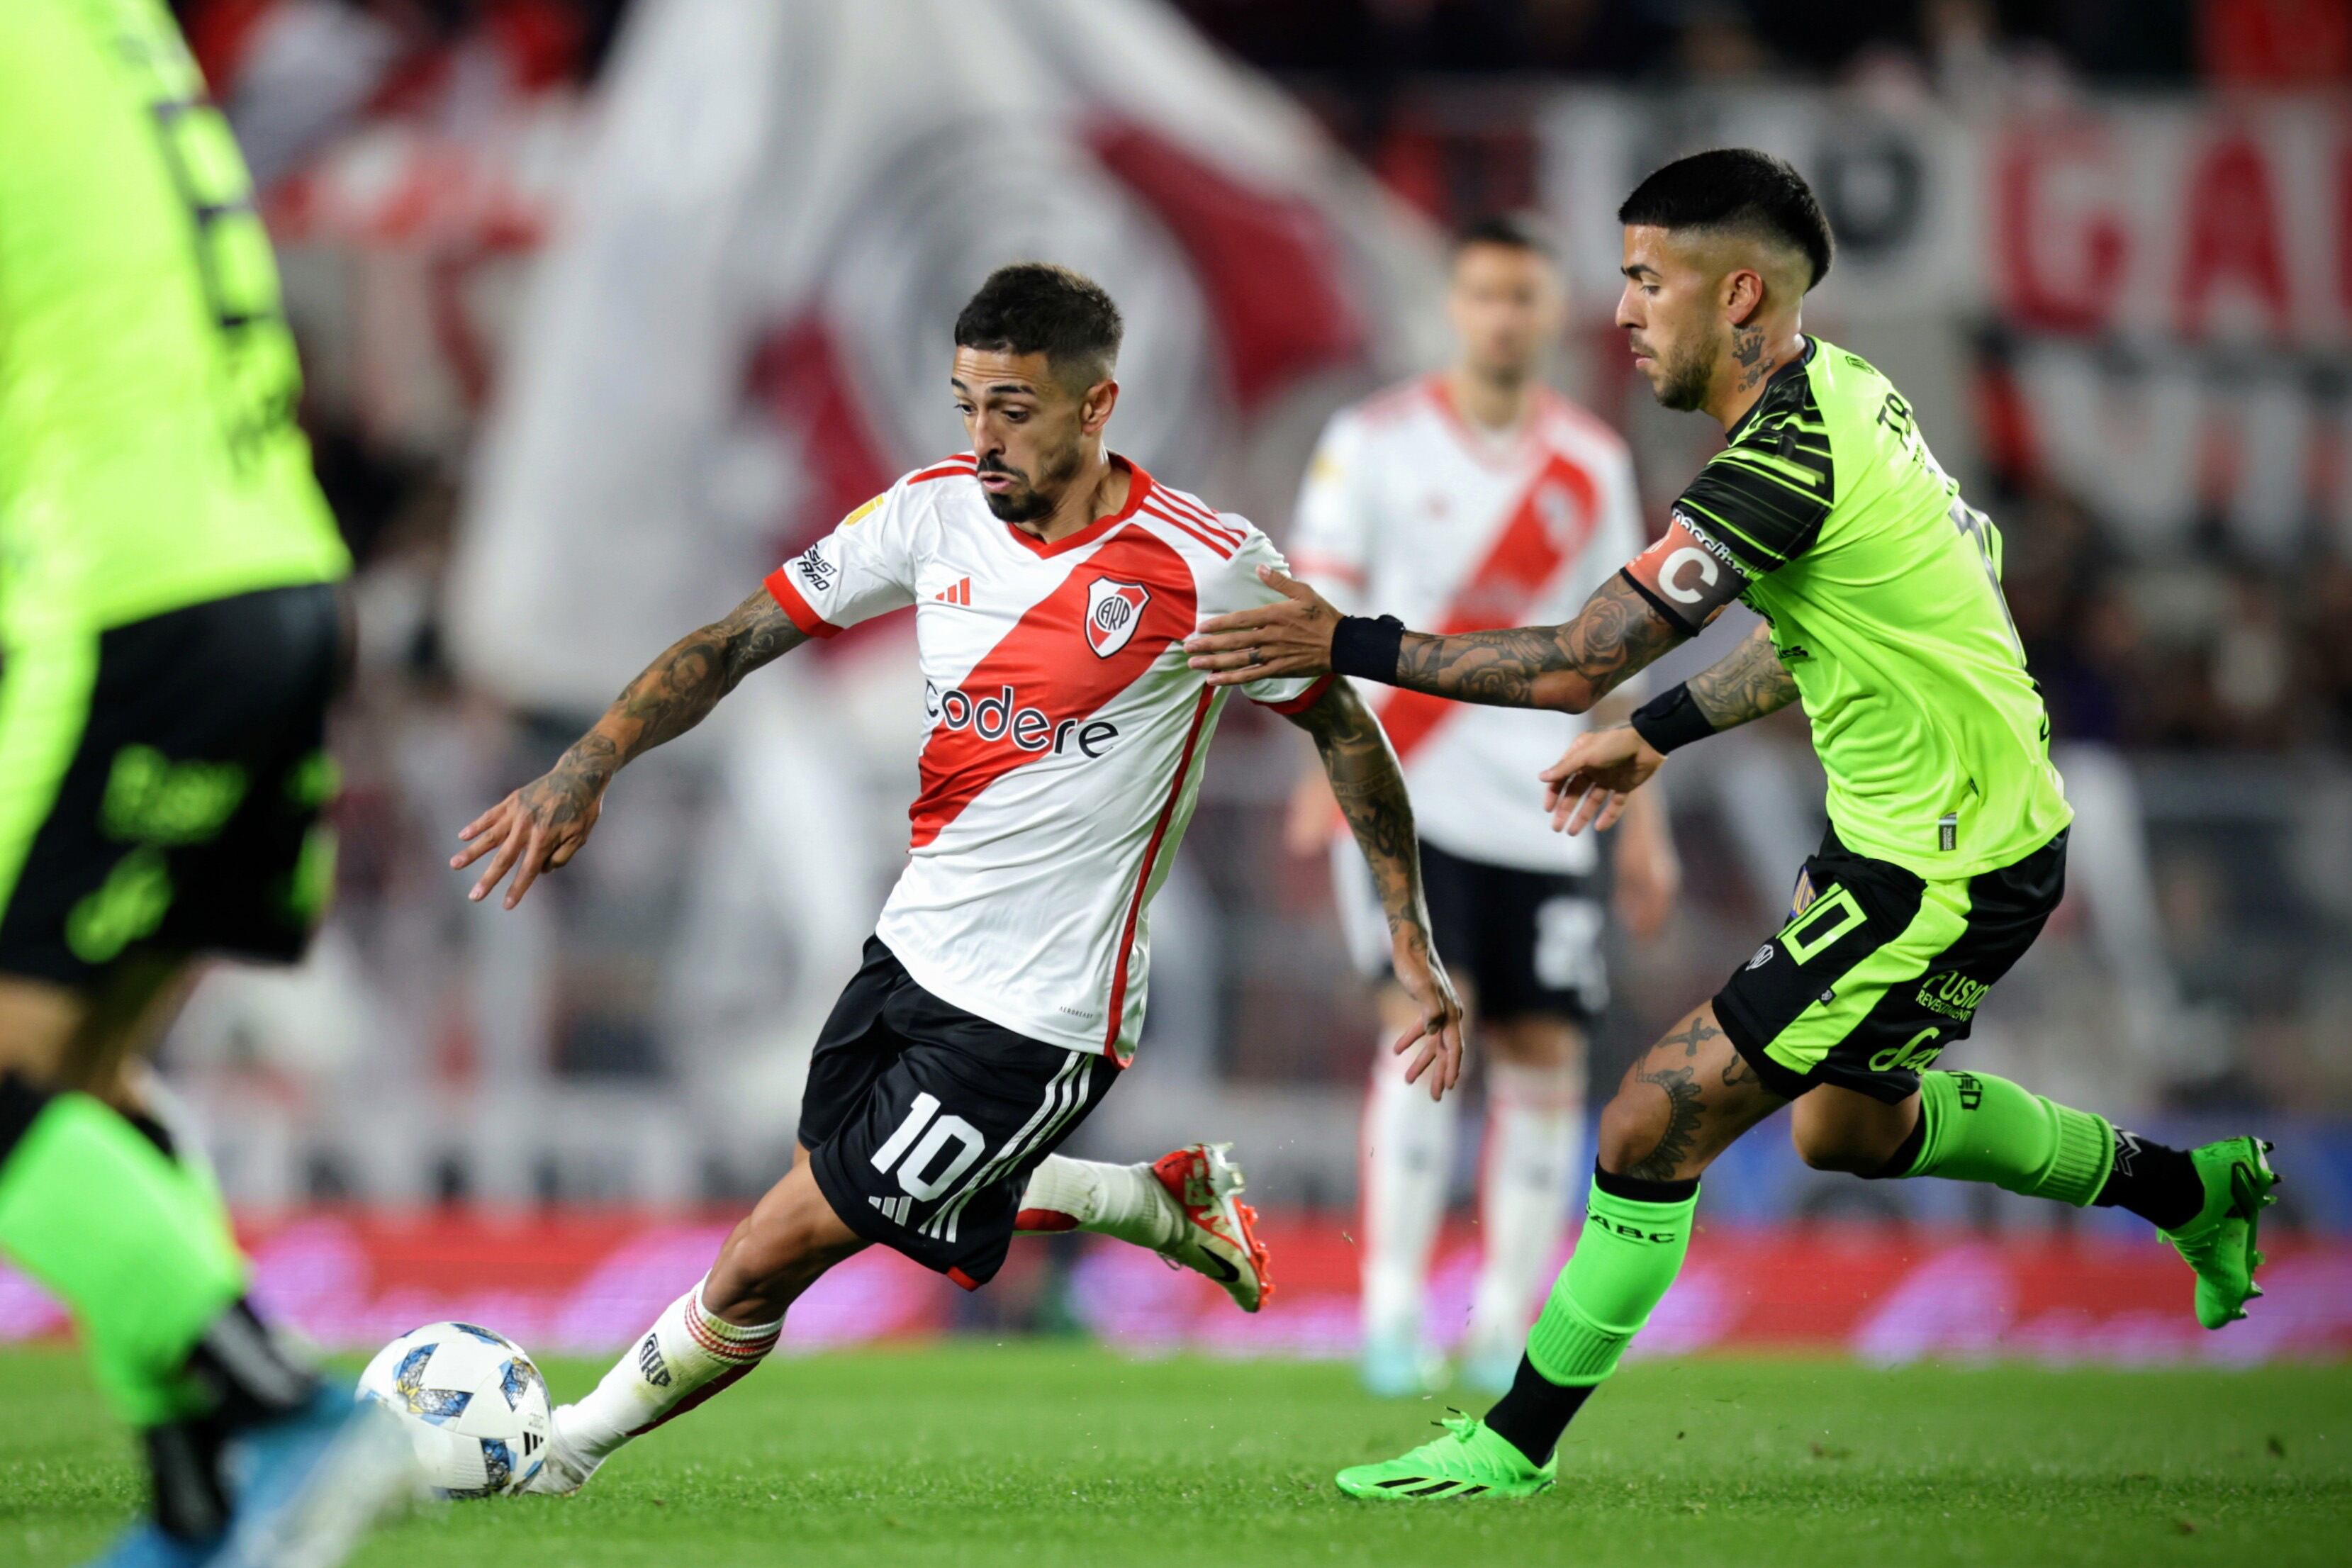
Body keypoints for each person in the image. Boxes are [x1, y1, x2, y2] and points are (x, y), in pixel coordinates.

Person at [1185, 149, 2276, 1501]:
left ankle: (1509, 1448)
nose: (1624, 310)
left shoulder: (1785, 454)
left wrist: (1340, 639)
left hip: (1939, 862)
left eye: (1647, 279)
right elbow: (1846, 622)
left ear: (1739, 293)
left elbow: (1578, 656)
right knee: (1847, 1134)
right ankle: (2195, 1192)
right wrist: (1658, 733)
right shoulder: (1856, 397)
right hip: (1925, 835)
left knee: (1647, 1123)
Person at [453, 262, 1465, 1495]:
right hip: (908, 955)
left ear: (1096, 408)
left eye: (1014, 410)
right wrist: (584, 766)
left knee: (782, 1242)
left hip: (1043, 1009)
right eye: (964, 405)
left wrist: (1407, 939)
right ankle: (1154, 1202)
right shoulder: (928, 516)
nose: (982, 439)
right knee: (842, 1189)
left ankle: (561, 1455)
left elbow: (1344, 732)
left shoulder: (1202, 567)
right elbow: (732, 643)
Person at [0, 1, 418, 1562]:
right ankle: (195, 1503)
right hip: (272, 574)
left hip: (133, 595)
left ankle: (272, 1406)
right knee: (83, 1066)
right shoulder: (101, 28)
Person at [1287, 215, 1679, 1396]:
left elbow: (1631, 649)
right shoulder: (1372, 443)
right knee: (1417, 1034)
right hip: (1410, 798)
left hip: (1547, 805)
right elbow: (1316, 611)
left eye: (1524, 297)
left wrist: (1646, 822)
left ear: (1550, 314)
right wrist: (1325, 770)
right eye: (1485, 294)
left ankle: (1506, 1317)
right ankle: (1392, 1313)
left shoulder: (1591, 465)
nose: (1504, 317)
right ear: (1453, 307)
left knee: (1547, 1051)